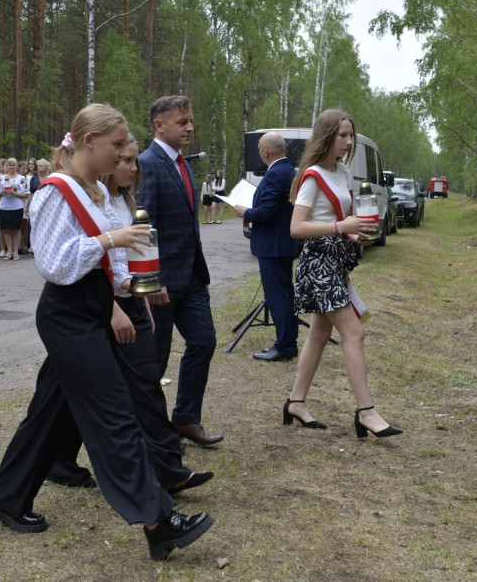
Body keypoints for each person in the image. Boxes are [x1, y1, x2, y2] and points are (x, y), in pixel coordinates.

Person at [0, 103, 214, 562]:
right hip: (69, 314)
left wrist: (131, 284)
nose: (123, 156)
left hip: (91, 306)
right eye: (115, 146)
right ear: (88, 142)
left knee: (50, 413)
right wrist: (111, 241)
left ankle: (4, 500)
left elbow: (109, 265)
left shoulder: (98, 194)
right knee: (114, 416)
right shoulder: (56, 192)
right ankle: (157, 519)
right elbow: (53, 264)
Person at [49, 135, 213, 496]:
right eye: (126, 160)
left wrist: (142, 297)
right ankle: (51, 463)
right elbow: (90, 266)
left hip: (125, 303)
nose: (134, 168)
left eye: (134, 161)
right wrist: (114, 309)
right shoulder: (95, 203)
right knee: (65, 396)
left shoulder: (125, 201)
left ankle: (167, 468)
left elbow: (134, 258)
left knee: (142, 386)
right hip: (94, 308)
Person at [283, 109, 402, 438]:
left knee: (319, 336)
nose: (349, 142)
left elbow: (341, 221)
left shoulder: (342, 171)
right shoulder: (312, 175)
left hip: (336, 261)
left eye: (351, 135)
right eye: (343, 136)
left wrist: (354, 233)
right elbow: (296, 228)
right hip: (318, 263)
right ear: (326, 136)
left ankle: (295, 402)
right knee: (354, 333)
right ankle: (366, 412)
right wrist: (341, 226)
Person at [137, 95, 222, 446]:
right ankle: (148, 436)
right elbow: (142, 227)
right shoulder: (147, 163)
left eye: (191, 121)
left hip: (191, 277)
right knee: (153, 363)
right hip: (162, 284)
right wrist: (150, 280)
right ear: (160, 125)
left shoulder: (182, 163)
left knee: (203, 342)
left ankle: (186, 419)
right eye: (182, 122)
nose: (190, 127)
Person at [234, 132, 299, 361]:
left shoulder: (275, 174)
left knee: (278, 297)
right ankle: (288, 342)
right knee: (285, 294)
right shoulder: (288, 170)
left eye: (260, 149)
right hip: (282, 244)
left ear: (266, 152)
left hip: (273, 246)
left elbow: (267, 212)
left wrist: (246, 212)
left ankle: (285, 346)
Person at [0, 158, 30, 260]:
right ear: (6, 167)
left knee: (16, 229)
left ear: (16, 166)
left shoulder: (21, 178)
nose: (11, 167)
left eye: (13, 165)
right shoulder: (1, 179)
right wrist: (3, 192)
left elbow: (26, 195)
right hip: (4, 207)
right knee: (6, 229)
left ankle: (16, 252)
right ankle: (9, 251)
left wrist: (15, 193)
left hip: (17, 207)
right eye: (9, 165)